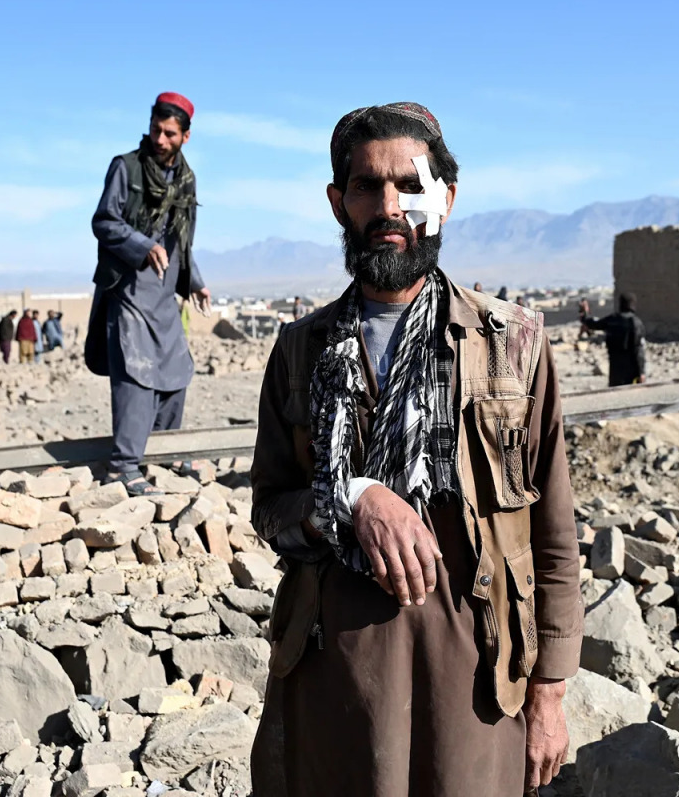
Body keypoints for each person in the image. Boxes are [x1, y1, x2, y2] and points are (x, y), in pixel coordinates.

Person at [249, 102, 582, 797]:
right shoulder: (300, 350)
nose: (389, 205)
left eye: (410, 184)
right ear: (340, 203)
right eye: (368, 187)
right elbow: (269, 510)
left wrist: (548, 698)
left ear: (447, 200)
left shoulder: (511, 343)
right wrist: (353, 495)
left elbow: (552, 532)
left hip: (475, 675)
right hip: (337, 669)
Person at [84, 92, 211, 496]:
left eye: (169, 133)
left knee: (177, 373)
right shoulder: (126, 168)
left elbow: (180, 244)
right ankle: (123, 466)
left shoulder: (186, 180)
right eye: (156, 129)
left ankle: (163, 455)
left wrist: (194, 281)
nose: (159, 139)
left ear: (185, 137)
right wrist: (141, 245)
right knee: (136, 375)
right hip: (128, 289)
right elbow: (104, 221)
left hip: (163, 295)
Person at [582, 293, 647, 387]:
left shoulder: (612, 320)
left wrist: (585, 313)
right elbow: (639, 350)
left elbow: (592, 324)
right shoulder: (635, 323)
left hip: (615, 368)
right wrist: (641, 372)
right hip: (631, 370)